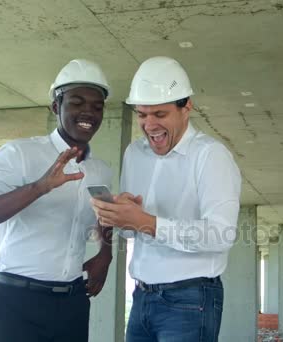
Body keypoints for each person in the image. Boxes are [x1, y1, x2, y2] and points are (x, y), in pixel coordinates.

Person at [0, 59, 114, 342]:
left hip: (72, 302)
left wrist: (106, 254)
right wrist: (40, 186)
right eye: (77, 103)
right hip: (17, 303)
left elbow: (104, 214)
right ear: (57, 107)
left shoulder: (100, 170)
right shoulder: (20, 154)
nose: (88, 113)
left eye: (97, 107)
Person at [91, 56, 242, 342]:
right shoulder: (134, 153)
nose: (149, 125)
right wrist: (119, 216)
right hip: (142, 298)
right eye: (141, 114)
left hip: (191, 300)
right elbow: (129, 231)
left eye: (159, 115)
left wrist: (147, 222)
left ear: (187, 108)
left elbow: (220, 235)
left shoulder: (210, 156)